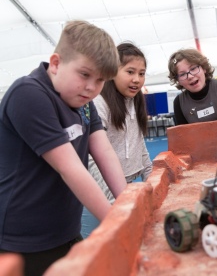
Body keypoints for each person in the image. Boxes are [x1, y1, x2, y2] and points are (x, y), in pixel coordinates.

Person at [0, 20, 127, 276]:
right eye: (85, 74)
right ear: (56, 63)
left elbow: (104, 152)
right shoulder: (28, 94)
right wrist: (117, 225)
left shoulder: (83, 102)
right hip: (23, 240)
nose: (92, 87)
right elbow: (70, 168)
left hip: (64, 231)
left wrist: (127, 205)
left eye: (101, 80)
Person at [88, 42, 153, 203]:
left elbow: (139, 144)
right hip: (97, 193)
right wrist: (114, 199)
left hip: (123, 188)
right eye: (130, 72)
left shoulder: (135, 100)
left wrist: (152, 181)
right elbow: (91, 157)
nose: (137, 80)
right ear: (112, 72)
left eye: (142, 73)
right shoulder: (99, 102)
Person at [167, 48, 217, 124]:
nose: (190, 76)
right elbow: (183, 136)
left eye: (193, 69)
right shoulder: (179, 103)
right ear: (178, 81)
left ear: (204, 68)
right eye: (183, 74)